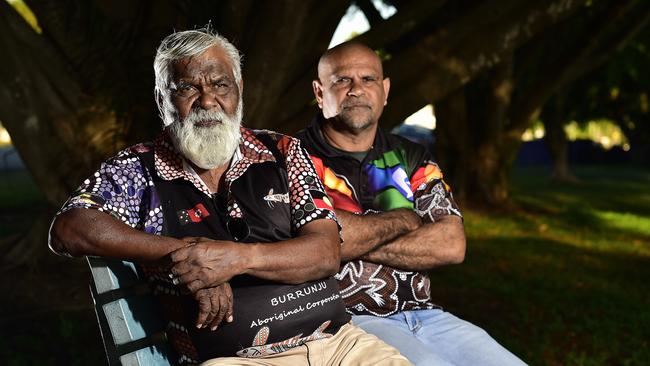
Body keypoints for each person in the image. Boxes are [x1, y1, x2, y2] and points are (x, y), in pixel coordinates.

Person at [48, 29, 411, 366]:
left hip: (340, 346)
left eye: (220, 84)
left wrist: (232, 260)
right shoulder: (141, 169)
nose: (208, 100)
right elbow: (70, 227)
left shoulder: (280, 151)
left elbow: (325, 254)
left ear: (238, 88)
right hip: (234, 360)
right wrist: (187, 255)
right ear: (162, 98)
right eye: (187, 88)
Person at [296, 41, 527, 366]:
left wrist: (341, 239)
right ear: (320, 93)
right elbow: (306, 242)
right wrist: (405, 221)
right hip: (344, 323)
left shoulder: (410, 155)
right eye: (342, 80)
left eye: (368, 79)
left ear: (385, 90)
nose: (356, 90)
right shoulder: (292, 157)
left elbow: (451, 244)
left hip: (426, 314)